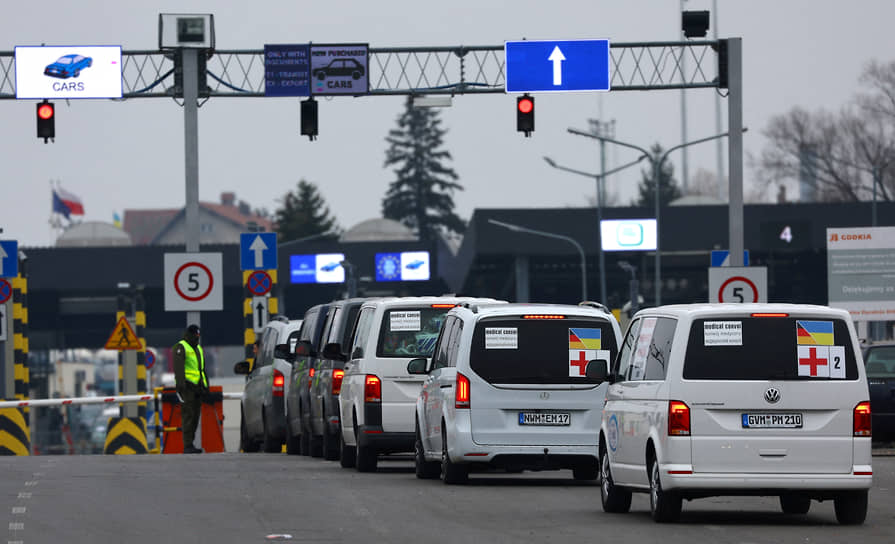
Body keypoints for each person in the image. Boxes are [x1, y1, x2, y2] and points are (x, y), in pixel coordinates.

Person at [172, 324, 209, 454]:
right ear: (189, 334)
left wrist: (206, 386)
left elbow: (202, 369)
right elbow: (178, 368)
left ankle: (191, 443)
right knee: (188, 416)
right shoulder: (181, 347)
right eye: (195, 335)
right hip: (187, 387)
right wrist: (180, 386)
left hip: (198, 387)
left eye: (198, 335)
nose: (197, 338)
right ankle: (187, 445)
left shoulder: (198, 348)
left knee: (195, 416)